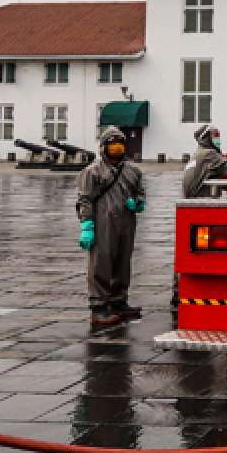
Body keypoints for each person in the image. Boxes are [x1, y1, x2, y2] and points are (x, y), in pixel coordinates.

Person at [75, 126, 145, 326]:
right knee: (101, 262)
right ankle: (99, 307)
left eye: (120, 143)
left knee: (123, 260)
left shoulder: (133, 170)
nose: (116, 147)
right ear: (104, 146)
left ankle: (118, 301)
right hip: (103, 222)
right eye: (112, 144)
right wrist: (86, 225)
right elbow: (85, 199)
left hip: (126, 221)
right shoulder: (92, 171)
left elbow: (140, 192)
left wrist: (138, 202)